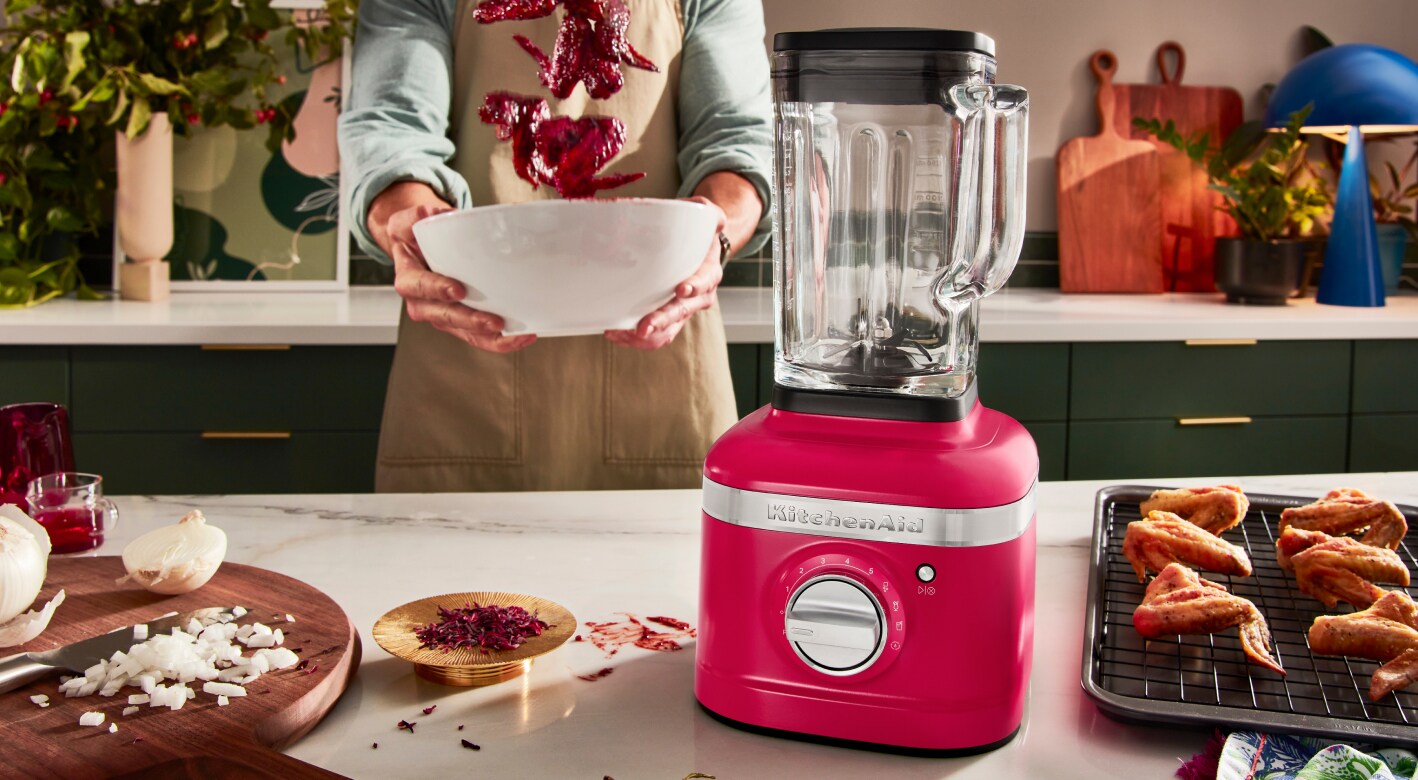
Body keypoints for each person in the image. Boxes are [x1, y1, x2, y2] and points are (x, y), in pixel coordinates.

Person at [339, 0, 772, 492]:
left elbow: (739, 140)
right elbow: (391, 131)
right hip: (462, 384)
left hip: (663, 384)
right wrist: (408, 221)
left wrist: (716, 229)